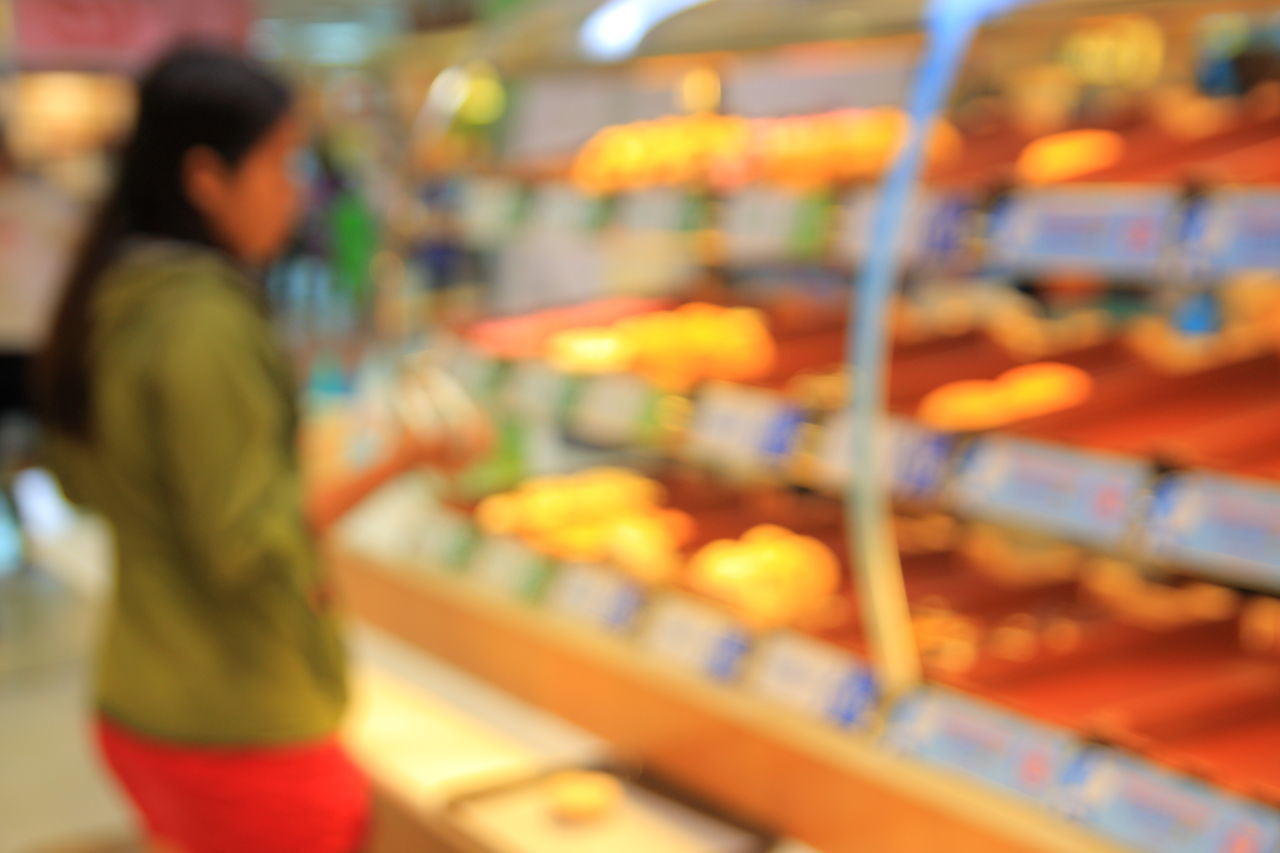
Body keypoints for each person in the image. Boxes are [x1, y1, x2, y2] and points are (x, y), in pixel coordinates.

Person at [37, 46, 480, 853]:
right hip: (237, 721)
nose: (297, 191)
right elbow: (248, 541)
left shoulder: (118, 292)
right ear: (207, 178)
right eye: (281, 165)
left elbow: (99, 483)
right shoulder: (204, 320)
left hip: (143, 695)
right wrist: (404, 453)